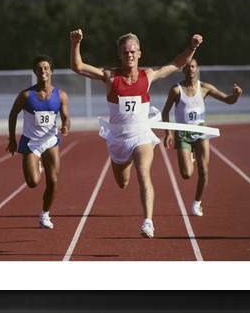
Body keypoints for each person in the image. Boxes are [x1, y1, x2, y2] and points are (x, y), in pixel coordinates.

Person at [69, 29, 203, 238]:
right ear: (119, 56)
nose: (129, 55)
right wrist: (75, 43)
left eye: (132, 51)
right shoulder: (110, 76)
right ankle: (126, 163)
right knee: (122, 183)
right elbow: (77, 66)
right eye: (125, 52)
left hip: (141, 136)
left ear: (139, 53)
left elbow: (177, 64)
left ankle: (148, 222)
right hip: (118, 140)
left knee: (143, 174)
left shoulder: (147, 75)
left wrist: (192, 47)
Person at [161, 58, 242, 217]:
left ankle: (197, 203)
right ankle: (190, 157)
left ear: (197, 70)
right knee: (186, 174)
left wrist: (236, 95)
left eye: (193, 66)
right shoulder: (176, 90)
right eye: (187, 67)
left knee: (204, 170)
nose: (190, 69)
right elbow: (165, 112)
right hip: (183, 133)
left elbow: (228, 100)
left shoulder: (204, 88)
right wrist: (168, 133)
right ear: (183, 70)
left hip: (201, 132)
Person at [6, 54, 71, 229]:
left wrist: (65, 126)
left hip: (50, 141)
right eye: (39, 68)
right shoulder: (26, 95)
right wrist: (12, 138)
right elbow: (13, 114)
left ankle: (45, 214)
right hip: (31, 143)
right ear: (35, 72)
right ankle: (37, 165)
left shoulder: (61, 95)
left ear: (51, 71)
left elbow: (66, 118)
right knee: (33, 182)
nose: (43, 71)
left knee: (53, 181)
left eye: (46, 68)